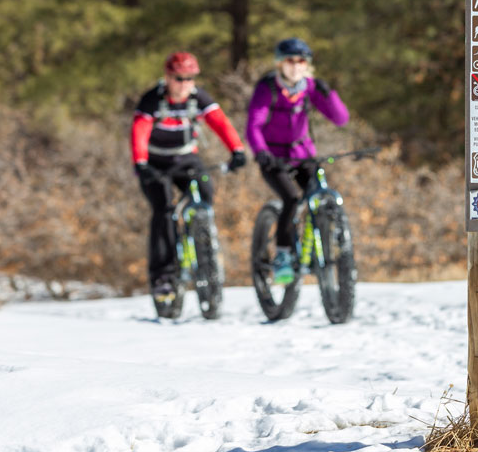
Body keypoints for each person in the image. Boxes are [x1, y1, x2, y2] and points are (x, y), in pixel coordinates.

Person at [131, 51, 247, 306]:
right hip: (155, 163)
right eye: (178, 78)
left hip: (186, 160)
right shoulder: (153, 100)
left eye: (189, 79)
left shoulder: (198, 98)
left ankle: (202, 243)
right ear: (168, 77)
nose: (184, 84)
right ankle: (164, 277)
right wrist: (140, 163)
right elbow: (140, 129)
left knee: (205, 193)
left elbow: (220, 122)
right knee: (163, 211)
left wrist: (237, 150)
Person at [245, 37, 350, 284]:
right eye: (290, 60)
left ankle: (321, 242)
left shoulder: (310, 87)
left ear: (307, 64)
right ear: (280, 63)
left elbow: (340, 119)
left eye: (301, 61)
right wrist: (261, 152)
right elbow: (254, 124)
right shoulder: (268, 88)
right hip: (273, 158)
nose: (295, 66)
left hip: (303, 155)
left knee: (320, 192)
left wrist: (329, 94)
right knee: (291, 198)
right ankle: (282, 255)